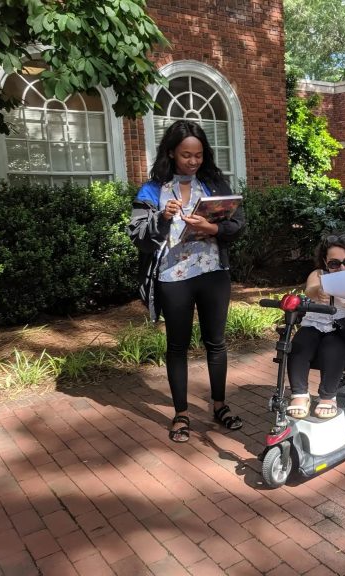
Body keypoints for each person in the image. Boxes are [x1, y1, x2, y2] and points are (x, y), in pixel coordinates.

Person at [128, 119, 246, 443]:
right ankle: (181, 413)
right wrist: (163, 218)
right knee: (177, 347)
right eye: (186, 156)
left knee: (216, 343)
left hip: (212, 273)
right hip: (172, 276)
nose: (193, 162)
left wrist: (213, 229)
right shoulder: (153, 190)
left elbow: (238, 224)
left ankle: (219, 405)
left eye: (198, 155)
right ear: (171, 153)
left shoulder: (214, 184)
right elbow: (138, 236)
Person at [286, 234, 345, 419]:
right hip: (316, 322)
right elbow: (310, 289)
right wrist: (318, 291)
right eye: (334, 263)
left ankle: (328, 397)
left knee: (332, 349)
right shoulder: (319, 275)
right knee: (299, 345)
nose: (342, 267)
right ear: (325, 263)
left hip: (342, 326)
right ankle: (300, 394)